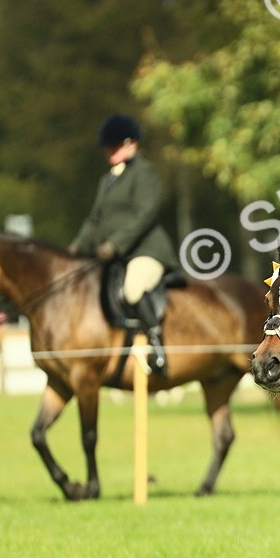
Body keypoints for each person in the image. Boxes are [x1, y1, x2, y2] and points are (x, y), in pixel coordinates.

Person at [69, 114, 179, 376]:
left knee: (133, 288)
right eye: (108, 147)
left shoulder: (145, 173)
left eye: (115, 146)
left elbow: (144, 215)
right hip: (116, 254)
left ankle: (157, 347)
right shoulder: (107, 180)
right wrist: (74, 249)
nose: (109, 151)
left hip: (146, 251)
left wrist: (114, 245)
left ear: (131, 144)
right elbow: (94, 219)